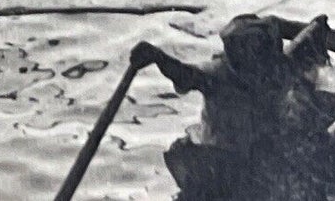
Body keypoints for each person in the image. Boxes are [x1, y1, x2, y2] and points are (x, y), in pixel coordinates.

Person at [131, 14, 324, 200]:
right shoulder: (218, 74)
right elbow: (185, 75)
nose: (256, 61)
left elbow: (301, 84)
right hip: (221, 159)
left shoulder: (277, 70)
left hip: (260, 158)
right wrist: (158, 57)